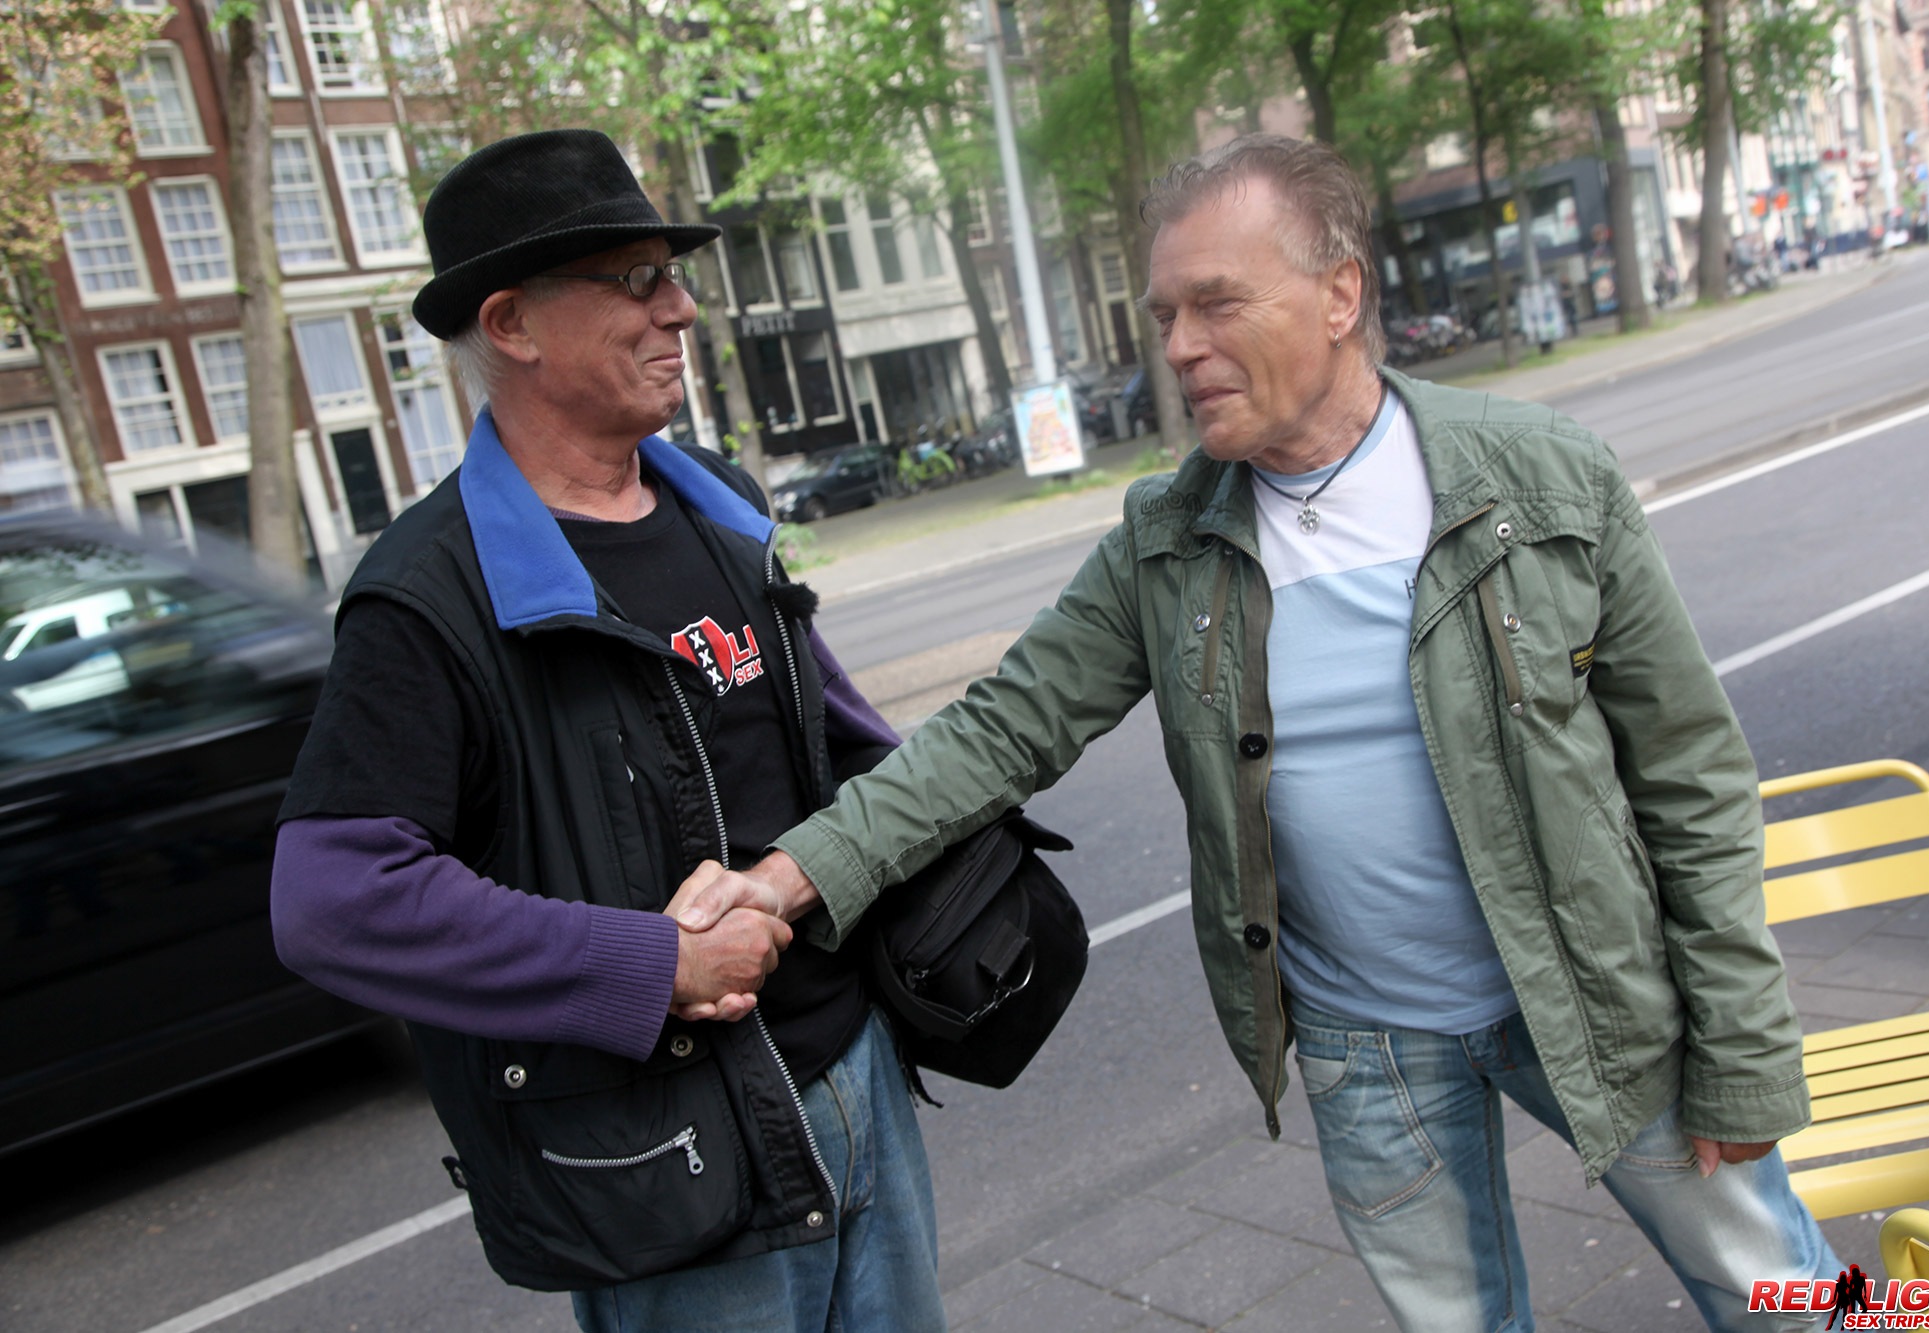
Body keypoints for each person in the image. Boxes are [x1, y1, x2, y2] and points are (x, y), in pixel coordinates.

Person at [674, 134, 1843, 1331]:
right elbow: (993, 733)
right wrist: (786, 877)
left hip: (1603, 1002)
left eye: (1216, 303)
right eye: (1164, 315)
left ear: (1339, 293)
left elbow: (1690, 776)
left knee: (1798, 1295)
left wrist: (1741, 1045)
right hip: (1365, 1046)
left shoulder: (1540, 478)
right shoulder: (1165, 542)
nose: (1179, 346)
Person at [267, 129, 946, 1333]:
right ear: (513, 324)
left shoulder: (721, 504)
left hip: (857, 1084)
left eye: (671, 275)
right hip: (670, 1168)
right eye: (635, 279)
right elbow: (335, 900)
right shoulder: (427, 596)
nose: (678, 307)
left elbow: (834, 743)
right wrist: (655, 966)